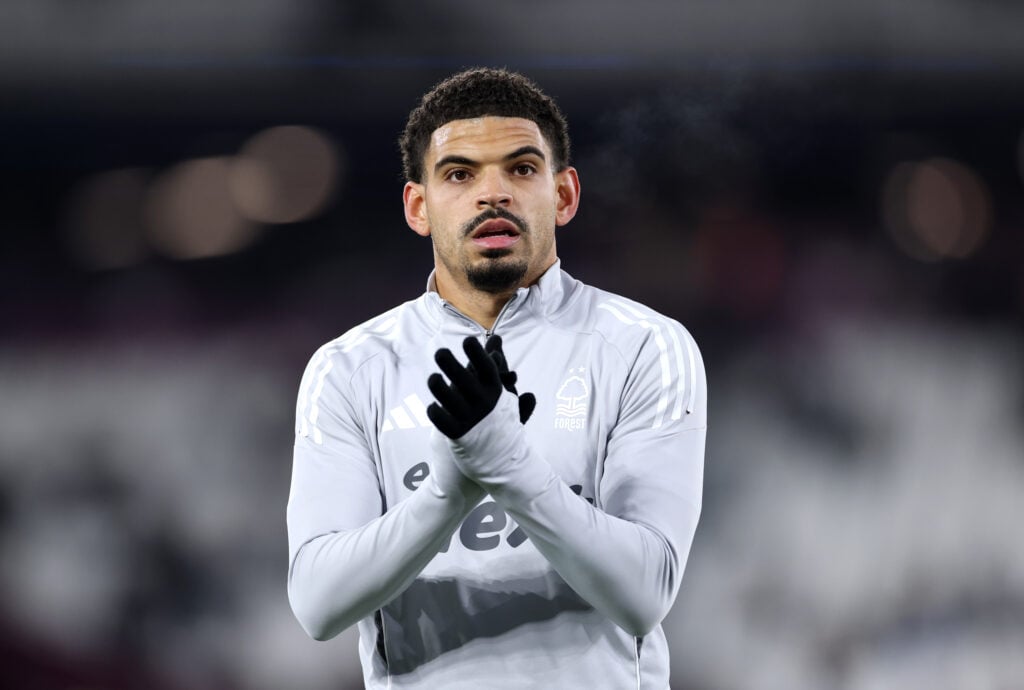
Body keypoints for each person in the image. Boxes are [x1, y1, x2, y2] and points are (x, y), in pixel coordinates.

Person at [287, 67, 707, 689]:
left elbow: (644, 594)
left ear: (563, 195)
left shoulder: (644, 346)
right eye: (460, 174)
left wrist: (507, 466)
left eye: (522, 168)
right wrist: (449, 492)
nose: (493, 194)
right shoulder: (350, 369)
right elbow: (318, 606)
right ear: (419, 207)